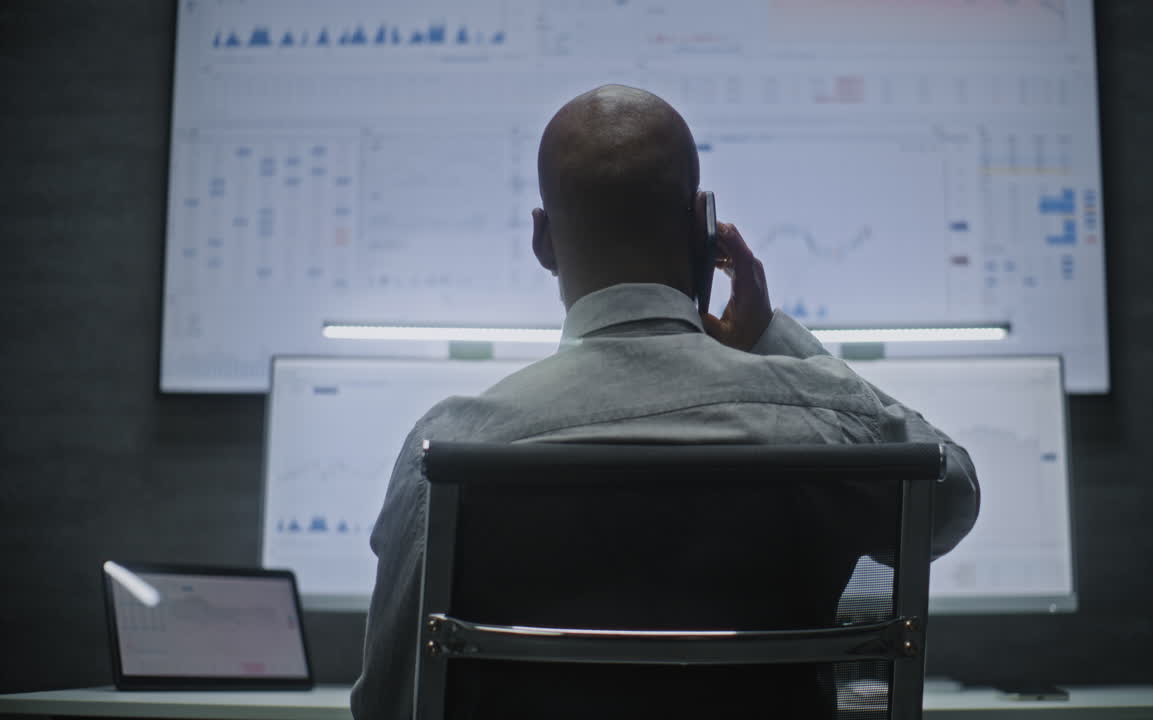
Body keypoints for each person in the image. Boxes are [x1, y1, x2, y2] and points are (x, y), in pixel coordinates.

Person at [351, 84, 979, 718]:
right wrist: (773, 340)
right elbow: (951, 498)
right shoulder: (821, 417)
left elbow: (387, 701)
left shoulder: (453, 447)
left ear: (543, 241)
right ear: (704, 229)